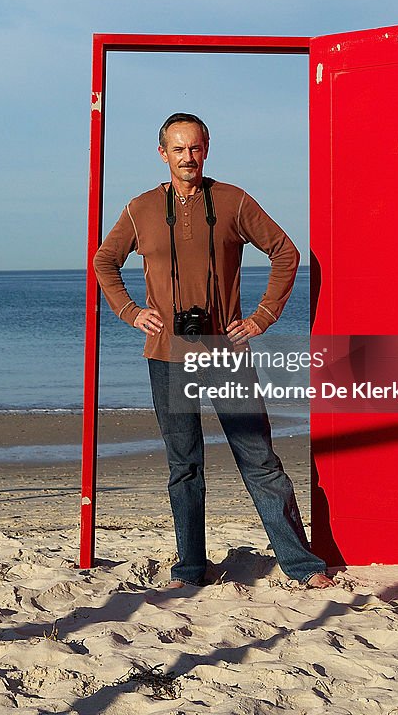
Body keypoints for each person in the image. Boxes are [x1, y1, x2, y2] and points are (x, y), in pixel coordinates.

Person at [93, 112, 333, 589]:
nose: (188, 158)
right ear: (163, 153)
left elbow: (286, 253)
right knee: (184, 465)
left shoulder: (232, 201)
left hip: (226, 352)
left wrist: (262, 318)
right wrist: (130, 312)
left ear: (207, 149)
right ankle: (190, 569)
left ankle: (301, 565)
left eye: (195, 148)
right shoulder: (141, 209)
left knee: (259, 458)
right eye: (178, 149)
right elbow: (105, 260)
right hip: (166, 356)